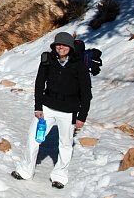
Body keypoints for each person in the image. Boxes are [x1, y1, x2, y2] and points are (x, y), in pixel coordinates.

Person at [11, 32, 92, 188]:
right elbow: (39, 83)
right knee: (33, 138)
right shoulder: (48, 61)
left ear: (70, 47)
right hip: (47, 108)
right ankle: (25, 171)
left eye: (64, 45)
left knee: (66, 144)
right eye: (58, 44)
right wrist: (38, 107)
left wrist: (82, 116)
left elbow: (86, 93)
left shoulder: (79, 65)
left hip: (68, 112)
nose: (60, 47)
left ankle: (60, 176)